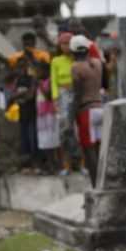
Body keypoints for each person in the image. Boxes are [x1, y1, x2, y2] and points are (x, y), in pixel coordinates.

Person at [70, 35, 103, 187]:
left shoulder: (76, 67)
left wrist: (72, 114)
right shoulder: (97, 63)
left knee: (89, 151)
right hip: (100, 108)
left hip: (86, 110)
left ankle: (96, 185)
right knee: (100, 148)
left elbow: (77, 93)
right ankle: (104, 182)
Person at [50, 32, 80, 176]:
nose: (66, 47)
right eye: (63, 44)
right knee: (64, 131)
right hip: (62, 96)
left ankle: (82, 164)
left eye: (68, 43)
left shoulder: (77, 59)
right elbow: (54, 82)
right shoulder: (56, 61)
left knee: (78, 131)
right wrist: (55, 100)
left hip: (76, 94)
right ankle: (66, 165)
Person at [13, 57, 41, 172]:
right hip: (22, 114)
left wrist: (21, 94)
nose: (21, 69)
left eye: (23, 66)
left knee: (33, 139)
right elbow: (12, 96)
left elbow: (31, 95)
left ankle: (37, 164)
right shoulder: (18, 81)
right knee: (25, 140)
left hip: (32, 113)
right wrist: (23, 94)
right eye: (19, 67)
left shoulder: (31, 79)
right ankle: (27, 165)